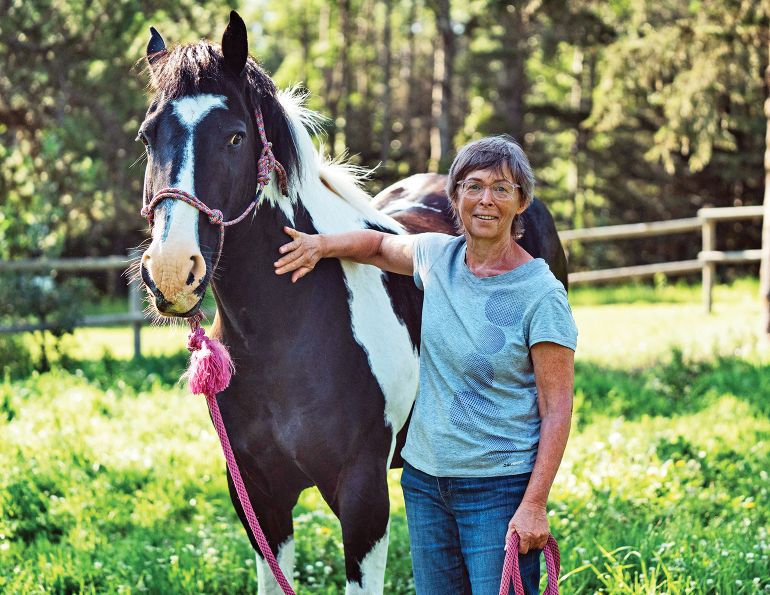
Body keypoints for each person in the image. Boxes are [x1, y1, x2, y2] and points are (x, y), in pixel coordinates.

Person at [274, 136, 577, 595]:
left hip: (498, 491)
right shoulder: (439, 257)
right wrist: (321, 246)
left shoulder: (541, 293)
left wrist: (534, 503)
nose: (486, 200)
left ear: (521, 202)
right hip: (426, 485)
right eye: (473, 187)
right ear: (455, 197)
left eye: (502, 188)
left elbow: (557, 408)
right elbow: (377, 246)